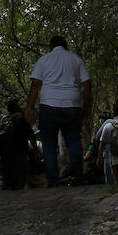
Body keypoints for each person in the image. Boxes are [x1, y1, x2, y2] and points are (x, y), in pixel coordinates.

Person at [26, 34, 92, 187]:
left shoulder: (43, 60)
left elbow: (35, 85)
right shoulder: (76, 60)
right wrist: (86, 107)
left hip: (48, 106)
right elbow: (87, 84)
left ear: (51, 46)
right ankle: (77, 175)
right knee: (74, 140)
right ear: (66, 46)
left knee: (49, 145)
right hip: (72, 105)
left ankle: (53, 180)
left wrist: (29, 107)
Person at [0, 98, 38, 191]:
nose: (22, 106)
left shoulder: (4, 119)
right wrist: (36, 151)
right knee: (19, 182)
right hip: (19, 155)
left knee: (5, 181)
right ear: (17, 107)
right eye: (20, 104)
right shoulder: (21, 118)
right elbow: (31, 136)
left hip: (4, 156)